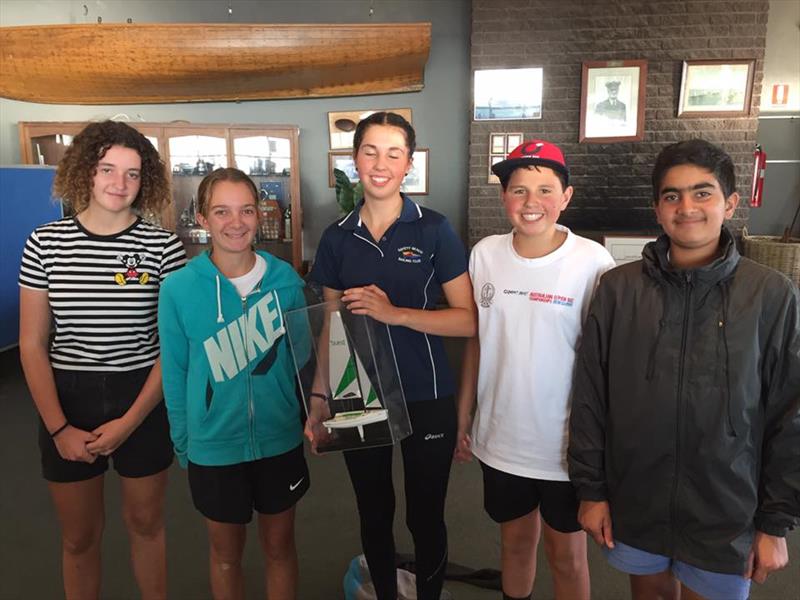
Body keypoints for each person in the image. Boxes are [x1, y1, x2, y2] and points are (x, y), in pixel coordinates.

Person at [568, 139, 800, 600]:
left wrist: (775, 522)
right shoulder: (618, 289)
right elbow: (591, 394)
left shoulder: (771, 295)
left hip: (727, 507)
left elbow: (790, 413)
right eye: (672, 195)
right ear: (657, 209)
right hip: (638, 498)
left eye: (703, 193)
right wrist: (591, 491)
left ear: (730, 203)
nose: (687, 207)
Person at [307, 111, 476, 600]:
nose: (381, 164)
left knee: (425, 513)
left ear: (408, 165)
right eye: (370, 151)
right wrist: (320, 396)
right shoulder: (338, 237)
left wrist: (394, 313)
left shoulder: (434, 230)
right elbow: (332, 326)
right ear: (354, 159)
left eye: (393, 153)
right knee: (373, 510)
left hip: (427, 391)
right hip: (358, 393)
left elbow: (467, 319)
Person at [18, 120, 186, 600]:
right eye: (108, 169)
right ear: (84, 172)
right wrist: (58, 428)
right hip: (67, 398)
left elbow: (169, 346)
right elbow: (32, 344)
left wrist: (131, 421)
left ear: (145, 180)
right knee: (78, 537)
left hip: (143, 397)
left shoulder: (161, 246)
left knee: (146, 525)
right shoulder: (44, 244)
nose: (120, 183)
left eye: (133, 174)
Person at [455, 140, 615, 600]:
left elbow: (604, 360)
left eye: (545, 190)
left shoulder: (592, 262)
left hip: (566, 446)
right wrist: (464, 413)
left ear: (566, 197)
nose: (531, 203)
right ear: (504, 196)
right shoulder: (484, 254)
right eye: (519, 190)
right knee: (515, 545)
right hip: (502, 436)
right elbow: (478, 340)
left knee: (566, 556)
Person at [158, 167, 308, 600]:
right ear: (203, 219)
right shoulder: (178, 289)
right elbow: (176, 372)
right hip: (213, 447)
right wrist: (187, 442)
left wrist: (311, 416)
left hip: (279, 442)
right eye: (221, 211)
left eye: (246, 210)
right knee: (226, 555)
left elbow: (303, 364)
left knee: (280, 548)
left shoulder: (286, 282)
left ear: (259, 215)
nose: (236, 222)